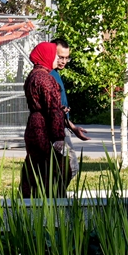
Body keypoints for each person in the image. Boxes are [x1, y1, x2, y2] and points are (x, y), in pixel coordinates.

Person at [21, 41, 70, 198]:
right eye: (55, 55)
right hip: (44, 127)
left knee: (34, 165)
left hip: (34, 124)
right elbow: (52, 110)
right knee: (54, 168)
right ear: (47, 55)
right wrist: (58, 137)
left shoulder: (33, 75)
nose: (58, 59)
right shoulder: (45, 78)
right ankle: (52, 205)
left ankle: (28, 200)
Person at [51, 38, 89, 178]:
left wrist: (73, 127)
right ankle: (55, 196)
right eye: (60, 57)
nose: (64, 61)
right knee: (70, 167)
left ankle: (54, 195)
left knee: (64, 168)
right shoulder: (49, 75)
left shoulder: (56, 73)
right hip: (56, 129)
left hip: (62, 125)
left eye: (67, 58)